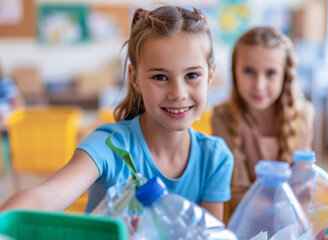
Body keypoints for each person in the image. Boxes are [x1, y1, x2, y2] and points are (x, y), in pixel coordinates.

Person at [0, 5, 234, 221]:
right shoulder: (110, 145)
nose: (178, 93)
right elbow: (47, 197)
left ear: (210, 76)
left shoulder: (215, 157)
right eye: (160, 77)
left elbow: (208, 234)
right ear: (135, 79)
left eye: (192, 75)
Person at [211, 27, 314, 223]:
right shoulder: (223, 117)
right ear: (234, 72)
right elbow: (236, 194)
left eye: (271, 73)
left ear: (286, 76)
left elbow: (304, 188)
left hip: (290, 227)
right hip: (245, 226)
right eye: (249, 71)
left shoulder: (303, 115)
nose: (259, 85)